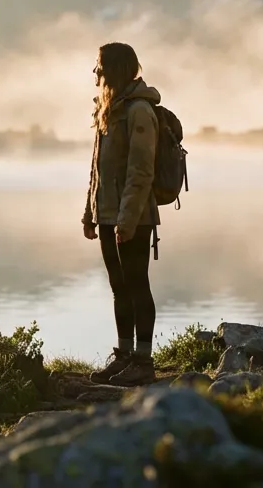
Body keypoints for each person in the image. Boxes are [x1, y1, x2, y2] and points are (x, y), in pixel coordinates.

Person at [82, 42, 161, 386]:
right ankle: (125, 356)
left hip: (135, 217)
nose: (95, 72)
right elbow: (97, 169)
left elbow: (140, 171)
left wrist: (127, 219)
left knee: (136, 284)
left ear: (114, 68)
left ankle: (144, 362)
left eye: (99, 65)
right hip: (108, 214)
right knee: (119, 287)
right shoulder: (108, 108)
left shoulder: (138, 111)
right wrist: (90, 212)